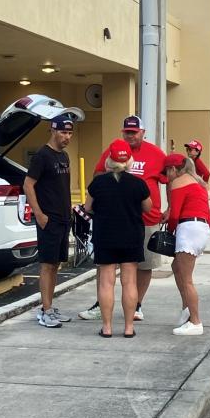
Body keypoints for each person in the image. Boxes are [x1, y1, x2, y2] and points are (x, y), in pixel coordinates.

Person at [79, 115, 166, 321]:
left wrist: (171, 208)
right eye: (127, 132)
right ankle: (101, 304)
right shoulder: (111, 151)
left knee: (144, 266)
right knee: (106, 267)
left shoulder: (156, 154)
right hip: (113, 218)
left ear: (143, 133)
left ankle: (137, 305)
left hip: (146, 219)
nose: (130, 135)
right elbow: (97, 176)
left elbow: (168, 179)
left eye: (134, 132)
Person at [85, 139, 151, 338]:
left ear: (109, 161)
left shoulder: (98, 183)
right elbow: (148, 207)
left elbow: (88, 207)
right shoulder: (138, 183)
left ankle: (107, 327)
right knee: (129, 283)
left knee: (107, 282)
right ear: (129, 161)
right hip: (131, 235)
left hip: (105, 236)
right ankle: (129, 328)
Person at [23, 115, 75, 328]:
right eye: (63, 132)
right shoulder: (42, 156)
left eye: (70, 133)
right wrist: (39, 214)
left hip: (63, 218)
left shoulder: (64, 156)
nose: (67, 137)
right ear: (53, 130)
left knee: (55, 265)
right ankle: (44, 310)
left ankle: (50, 307)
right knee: (46, 265)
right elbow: (28, 185)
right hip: (49, 219)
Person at [164, 152, 210, 336]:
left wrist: (169, 232)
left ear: (174, 169)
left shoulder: (178, 182)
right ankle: (187, 310)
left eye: (167, 171)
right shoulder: (197, 182)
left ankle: (195, 321)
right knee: (177, 267)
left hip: (188, 228)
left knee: (186, 279)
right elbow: (208, 215)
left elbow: (175, 214)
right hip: (201, 228)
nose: (166, 176)